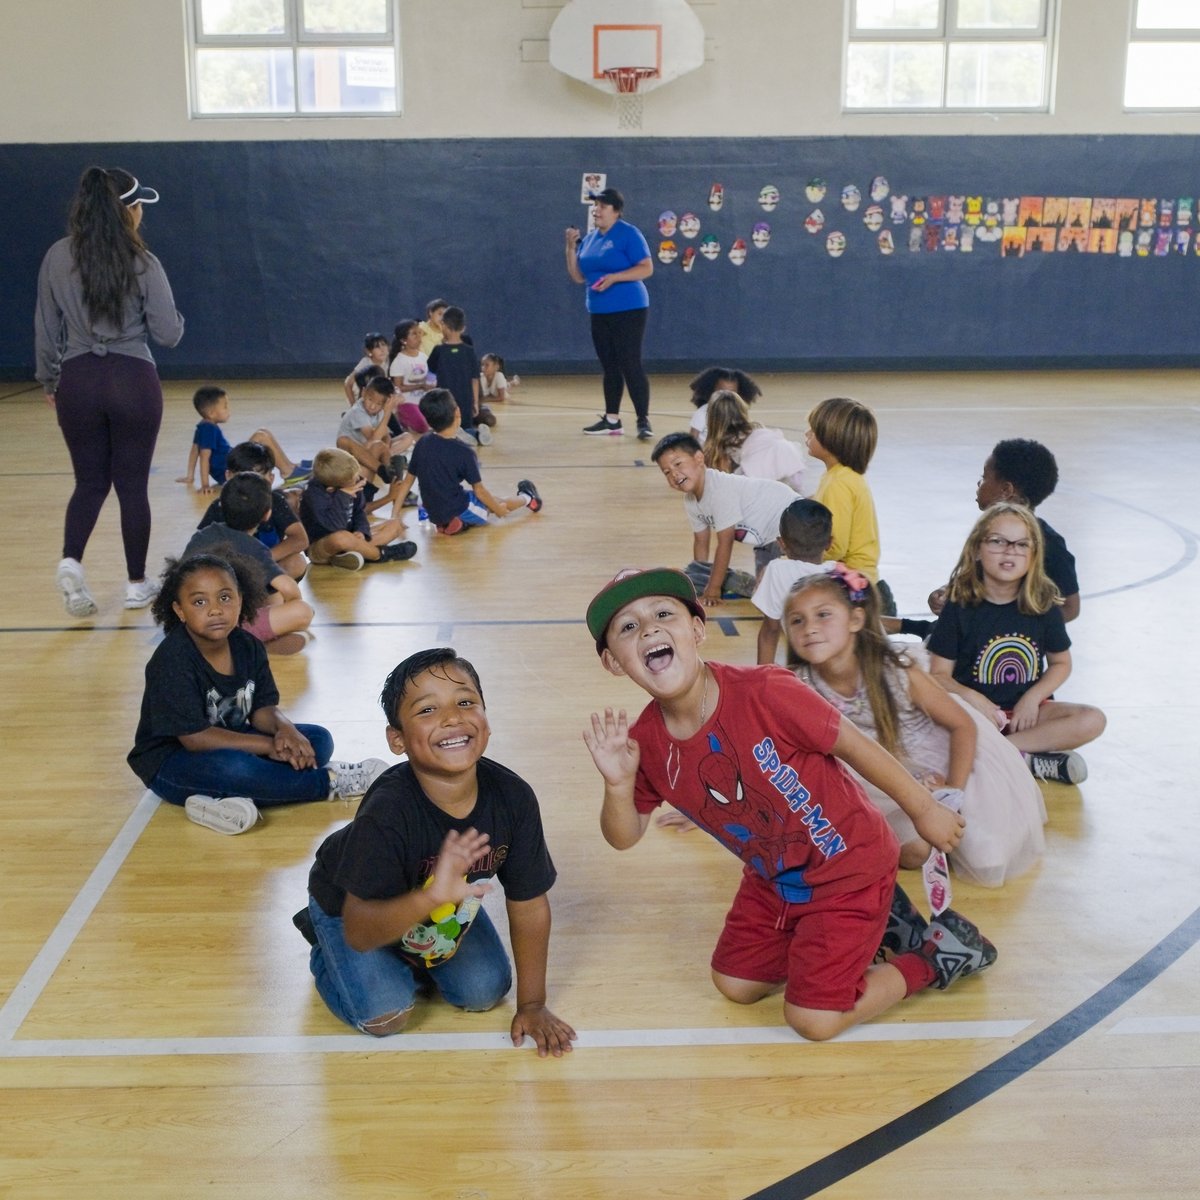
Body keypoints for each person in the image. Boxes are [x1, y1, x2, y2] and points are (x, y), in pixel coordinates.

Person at [581, 567, 996, 1042]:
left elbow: (856, 747)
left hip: (851, 865)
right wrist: (616, 785)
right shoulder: (645, 744)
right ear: (614, 662)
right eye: (628, 627)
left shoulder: (765, 690)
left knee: (813, 1020)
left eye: (662, 614)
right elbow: (623, 835)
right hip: (778, 880)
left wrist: (924, 809)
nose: (649, 628)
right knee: (734, 984)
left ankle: (936, 955)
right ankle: (870, 930)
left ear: (696, 630)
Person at [295, 647, 576, 1054]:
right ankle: (324, 942)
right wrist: (432, 896)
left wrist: (533, 1005)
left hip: (438, 905)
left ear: (486, 720)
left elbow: (529, 904)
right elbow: (359, 930)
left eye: (466, 702)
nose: (451, 717)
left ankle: (407, 950)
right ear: (397, 739)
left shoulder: (513, 798)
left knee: (485, 991)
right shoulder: (388, 812)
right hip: (351, 908)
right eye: (427, 710)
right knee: (385, 1014)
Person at [787, 567, 1047, 886]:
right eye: (797, 620)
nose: (809, 628)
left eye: (823, 615)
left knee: (988, 857)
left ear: (855, 619)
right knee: (916, 853)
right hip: (879, 774)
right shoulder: (799, 682)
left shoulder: (895, 671)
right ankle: (890, 836)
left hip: (948, 761)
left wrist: (952, 792)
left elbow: (962, 726)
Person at [127, 552, 387, 834]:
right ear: (179, 610)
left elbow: (261, 709)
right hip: (172, 763)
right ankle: (329, 783)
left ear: (241, 598)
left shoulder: (247, 645)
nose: (215, 609)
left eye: (225, 597)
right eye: (199, 602)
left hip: (232, 742)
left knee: (317, 740)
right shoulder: (173, 659)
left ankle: (220, 803)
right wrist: (269, 747)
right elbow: (195, 738)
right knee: (238, 768)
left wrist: (285, 730)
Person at [35, 166, 185, 616]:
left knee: (89, 481)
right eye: (140, 207)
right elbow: (168, 334)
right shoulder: (143, 262)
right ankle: (137, 585)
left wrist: (49, 382)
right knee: (132, 486)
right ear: (129, 212)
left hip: (77, 381)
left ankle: (71, 562)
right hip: (132, 380)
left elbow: (46, 331)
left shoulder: (57, 257)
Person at [927, 502, 1106, 785]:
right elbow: (938, 676)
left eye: (1022, 544)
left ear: (1034, 555)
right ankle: (1029, 760)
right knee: (944, 725)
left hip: (1025, 715)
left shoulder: (1042, 604)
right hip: (976, 715)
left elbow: (1061, 663)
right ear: (976, 549)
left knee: (1092, 719)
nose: (1010, 550)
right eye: (998, 541)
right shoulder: (960, 605)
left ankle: (1001, 755)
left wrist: (1032, 699)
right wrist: (975, 699)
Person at [892, 437, 1082, 639]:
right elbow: (973, 580)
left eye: (984, 478)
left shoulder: (1048, 544)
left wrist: (1023, 626)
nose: (979, 484)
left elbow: (1071, 607)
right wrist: (947, 592)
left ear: (1006, 490)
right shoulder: (986, 534)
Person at [651, 432, 795, 606]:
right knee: (695, 572)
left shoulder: (719, 490)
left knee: (770, 595)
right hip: (767, 540)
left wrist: (713, 589)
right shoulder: (690, 499)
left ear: (698, 459)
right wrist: (700, 575)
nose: (674, 474)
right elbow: (701, 542)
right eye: (667, 472)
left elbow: (725, 543)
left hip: (791, 524)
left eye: (678, 464)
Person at [185, 472, 315, 655]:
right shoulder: (253, 548)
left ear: (221, 505)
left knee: (268, 595)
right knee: (301, 610)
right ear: (267, 514)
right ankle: (246, 645)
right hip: (220, 629)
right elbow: (290, 589)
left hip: (186, 629)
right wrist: (289, 611)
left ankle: (252, 643)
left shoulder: (202, 536)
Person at [564, 188, 654, 440]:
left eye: (602, 206)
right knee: (610, 367)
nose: (597, 210)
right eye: (595, 206)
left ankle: (643, 420)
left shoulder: (629, 234)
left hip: (629, 308)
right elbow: (578, 276)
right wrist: (570, 248)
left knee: (630, 363)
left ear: (616, 211)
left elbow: (646, 268)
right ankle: (612, 420)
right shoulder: (591, 240)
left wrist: (615, 277)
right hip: (599, 310)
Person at [390, 390, 541, 536]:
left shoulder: (423, 443)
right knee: (498, 503)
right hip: (456, 507)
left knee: (484, 500)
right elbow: (480, 491)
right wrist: (499, 510)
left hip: (432, 512)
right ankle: (528, 498)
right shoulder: (464, 452)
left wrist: (394, 516)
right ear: (458, 412)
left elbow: (407, 482)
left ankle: (454, 523)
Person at [806, 396, 895, 616]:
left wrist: (800, 555)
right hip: (861, 579)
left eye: (813, 431)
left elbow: (835, 546)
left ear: (831, 440)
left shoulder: (838, 484)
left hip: (853, 586)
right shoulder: (842, 477)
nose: (807, 434)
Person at [197, 441, 310, 581]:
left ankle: (267, 597)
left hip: (266, 569)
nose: (250, 485)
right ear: (228, 476)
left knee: (297, 562)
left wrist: (263, 558)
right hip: (233, 574)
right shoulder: (220, 506)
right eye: (243, 477)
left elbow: (300, 539)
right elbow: (202, 548)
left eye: (258, 477)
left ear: (271, 478)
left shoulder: (276, 501)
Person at [178, 385, 311, 495]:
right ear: (212, 413)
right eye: (225, 407)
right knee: (261, 436)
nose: (228, 410)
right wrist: (205, 484)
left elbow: (194, 450)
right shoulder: (208, 429)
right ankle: (288, 472)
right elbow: (204, 458)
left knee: (263, 432)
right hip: (231, 467)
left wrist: (190, 476)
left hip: (231, 460)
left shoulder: (203, 426)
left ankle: (290, 465)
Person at [298, 448, 417, 570]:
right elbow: (334, 526)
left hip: (351, 538)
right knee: (341, 538)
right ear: (331, 489)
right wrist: (343, 497)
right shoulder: (314, 495)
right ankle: (381, 554)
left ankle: (347, 556)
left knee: (394, 525)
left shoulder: (353, 482)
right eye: (353, 480)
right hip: (323, 546)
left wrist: (361, 531)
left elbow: (359, 512)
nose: (358, 481)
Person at [752, 498, 835, 665]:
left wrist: (761, 680)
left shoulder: (777, 570)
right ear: (830, 543)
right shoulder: (838, 573)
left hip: (804, 670)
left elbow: (770, 631)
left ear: (781, 544)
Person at [703, 390, 817, 494]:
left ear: (712, 418)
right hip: (790, 492)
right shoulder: (765, 435)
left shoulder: (720, 450)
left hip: (759, 497)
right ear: (742, 410)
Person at [336, 376, 415, 506]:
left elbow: (386, 435)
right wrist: (388, 412)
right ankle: (389, 474)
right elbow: (373, 439)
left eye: (379, 404)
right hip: (354, 462)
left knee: (406, 437)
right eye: (370, 400)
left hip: (368, 457)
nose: (373, 406)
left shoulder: (379, 412)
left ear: (385, 403)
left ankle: (392, 477)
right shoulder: (358, 411)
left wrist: (386, 449)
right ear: (363, 392)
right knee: (368, 444)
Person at [427, 306, 488, 446]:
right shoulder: (469, 351)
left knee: (444, 428)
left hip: (445, 399)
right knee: (466, 425)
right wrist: (475, 402)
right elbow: (474, 379)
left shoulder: (439, 351)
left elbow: (430, 372)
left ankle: (462, 435)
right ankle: (477, 434)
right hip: (465, 398)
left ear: (444, 326)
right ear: (463, 328)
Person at [687, 366, 763, 439]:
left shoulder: (739, 412)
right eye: (722, 392)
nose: (726, 396)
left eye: (732, 393)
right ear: (712, 390)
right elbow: (691, 443)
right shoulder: (703, 413)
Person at [342, 332, 391, 406]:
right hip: (363, 398)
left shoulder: (391, 361)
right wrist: (353, 406)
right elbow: (348, 384)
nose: (382, 349)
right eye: (377, 347)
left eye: (383, 345)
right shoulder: (366, 363)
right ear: (369, 352)